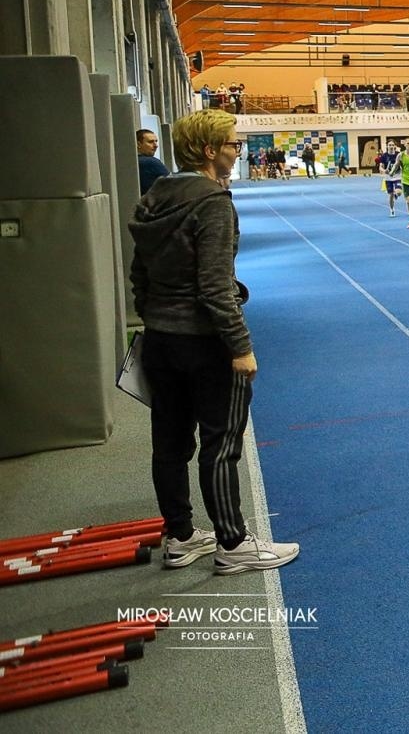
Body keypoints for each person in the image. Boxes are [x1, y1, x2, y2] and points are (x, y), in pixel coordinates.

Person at [129, 110, 300, 575]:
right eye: (232, 144)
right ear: (208, 150)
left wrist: (156, 315)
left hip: (161, 341)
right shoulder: (212, 202)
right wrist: (240, 346)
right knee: (221, 444)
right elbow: (214, 284)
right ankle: (232, 543)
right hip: (204, 344)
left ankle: (180, 536)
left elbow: (138, 274)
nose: (235, 151)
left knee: (169, 443)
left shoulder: (154, 196)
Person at [136, 128, 170, 195]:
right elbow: (174, 184)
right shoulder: (151, 162)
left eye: (156, 141)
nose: (156, 145)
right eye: (150, 142)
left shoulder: (132, 163)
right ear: (138, 144)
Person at [378, 141, 402, 217]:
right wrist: (384, 171)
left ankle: (396, 194)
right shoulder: (384, 156)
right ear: (387, 146)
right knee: (390, 195)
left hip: (397, 176)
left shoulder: (399, 154)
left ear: (395, 146)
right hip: (388, 178)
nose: (391, 146)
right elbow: (380, 167)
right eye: (389, 145)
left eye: (392, 145)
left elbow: (403, 164)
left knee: (398, 192)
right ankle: (392, 210)